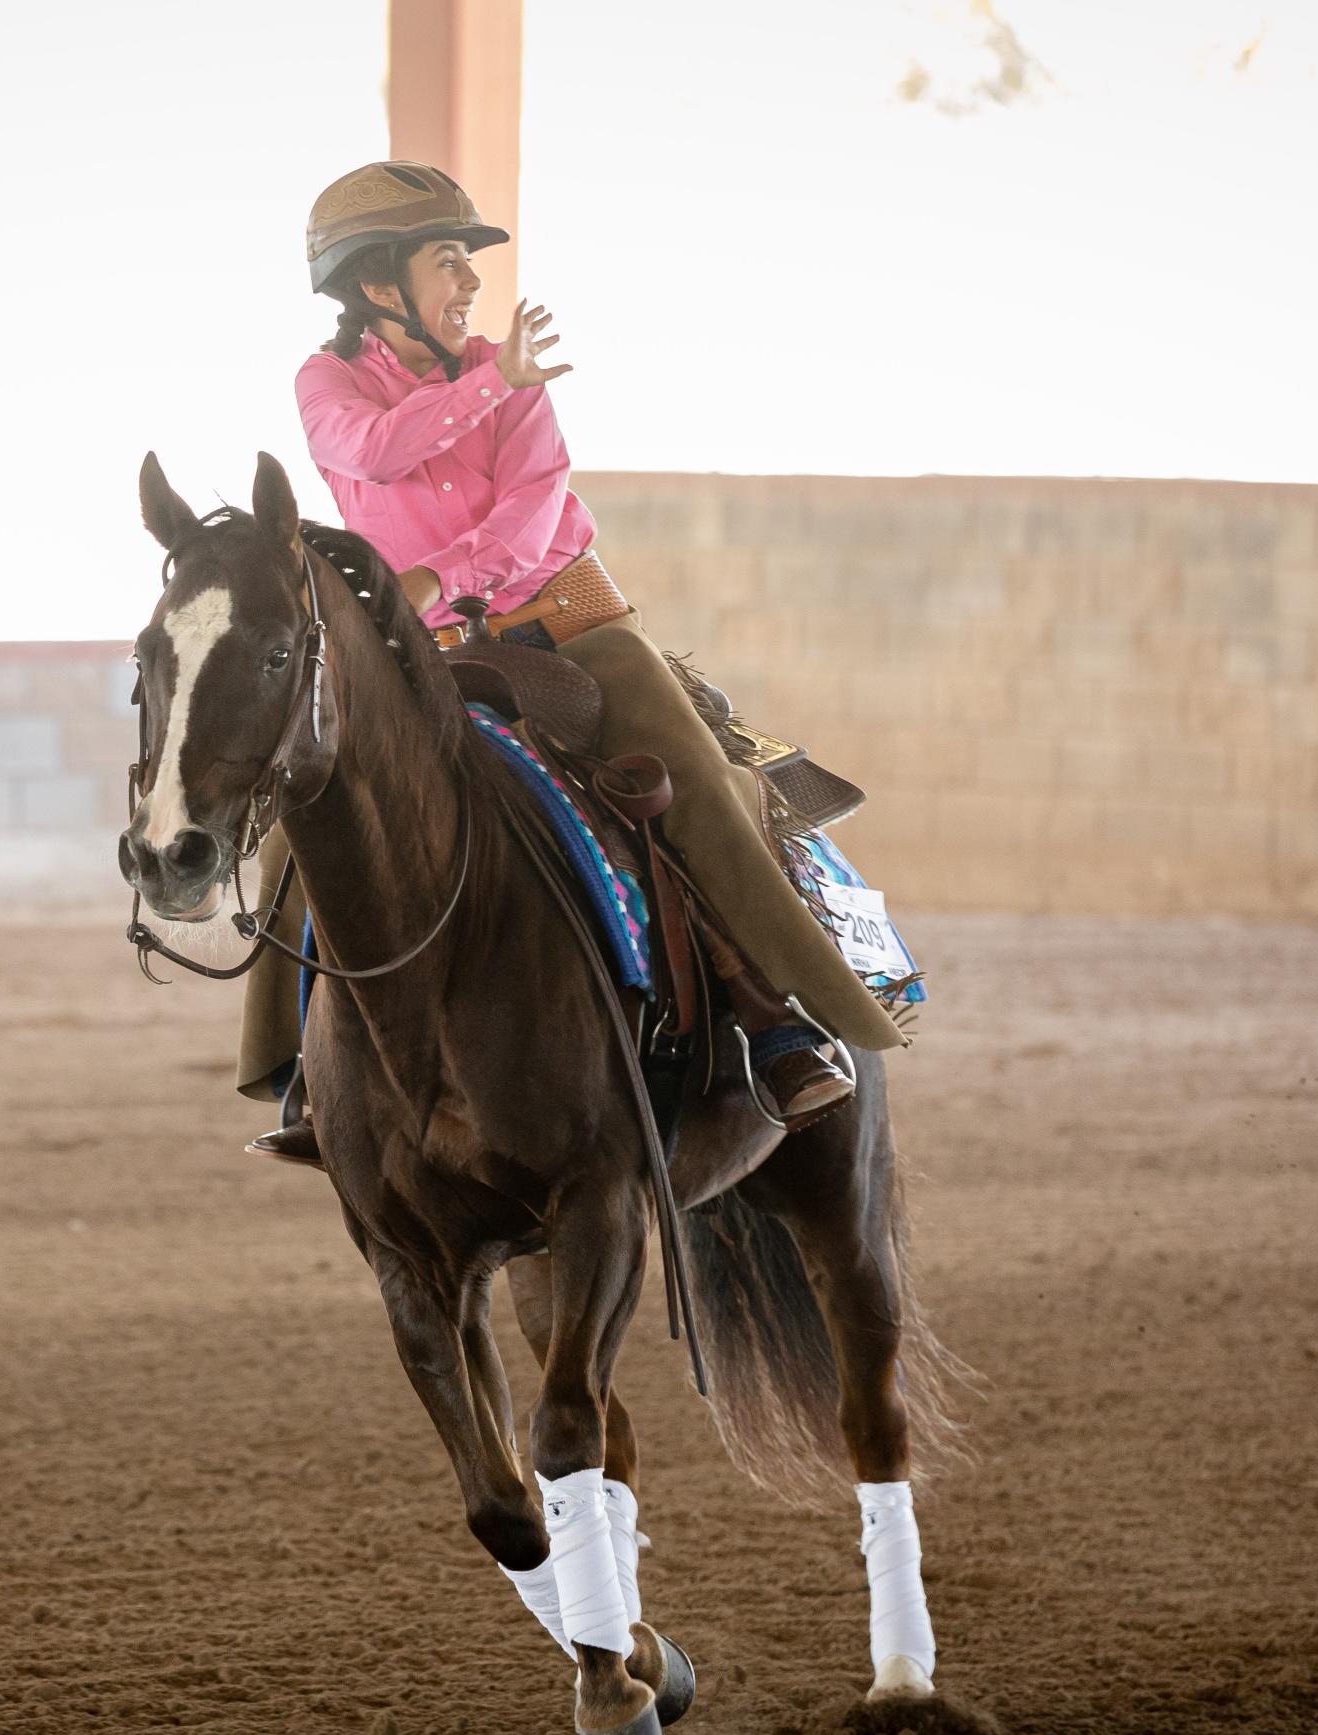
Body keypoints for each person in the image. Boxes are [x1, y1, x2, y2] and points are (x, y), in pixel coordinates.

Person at [241, 161, 906, 1165]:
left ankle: (779, 1022)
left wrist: (440, 578)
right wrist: (482, 387)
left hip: (569, 623)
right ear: (380, 283)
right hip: (415, 655)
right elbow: (371, 454)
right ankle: (306, 1070)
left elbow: (532, 513)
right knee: (309, 810)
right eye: (448, 260)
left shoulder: (511, 382)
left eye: (467, 263)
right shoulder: (327, 381)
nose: (468, 284)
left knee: (692, 788)